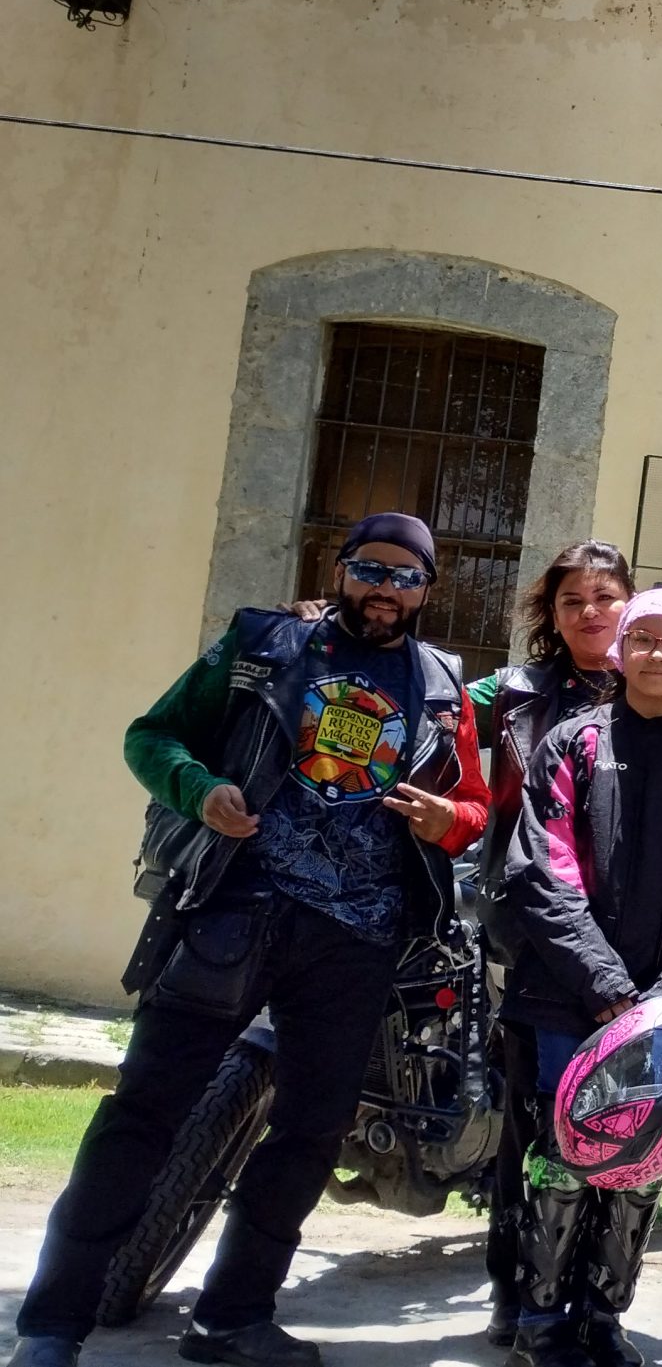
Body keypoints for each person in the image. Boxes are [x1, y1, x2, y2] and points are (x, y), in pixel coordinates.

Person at [10, 513, 489, 1367]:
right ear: (341, 570)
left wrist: (449, 816)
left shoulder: (443, 684)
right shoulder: (264, 643)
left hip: (359, 938)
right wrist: (199, 789)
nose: (384, 589)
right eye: (369, 569)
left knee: (310, 1129)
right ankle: (52, 1323)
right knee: (144, 1113)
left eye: (405, 576)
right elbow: (151, 736)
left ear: (427, 589)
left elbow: (475, 808)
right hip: (238, 909)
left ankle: (231, 1317)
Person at [497, 587, 662, 1367]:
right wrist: (607, 982)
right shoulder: (574, 744)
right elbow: (544, 868)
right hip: (567, 994)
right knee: (559, 1153)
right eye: (641, 638)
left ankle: (603, 1317)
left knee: (642, 1160)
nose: (655, 654)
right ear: (621, 650)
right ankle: (541, 1320)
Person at [468, 539, 635, 1348]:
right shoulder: (511, 692)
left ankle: (592, 1296)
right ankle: (518, 1286)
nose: (592, 613)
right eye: (574, 600)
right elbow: (435, 712)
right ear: (552, 614)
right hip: (536, 936)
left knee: (621, 1125)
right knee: (532, 1126)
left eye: (606, 597)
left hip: (634, 946)